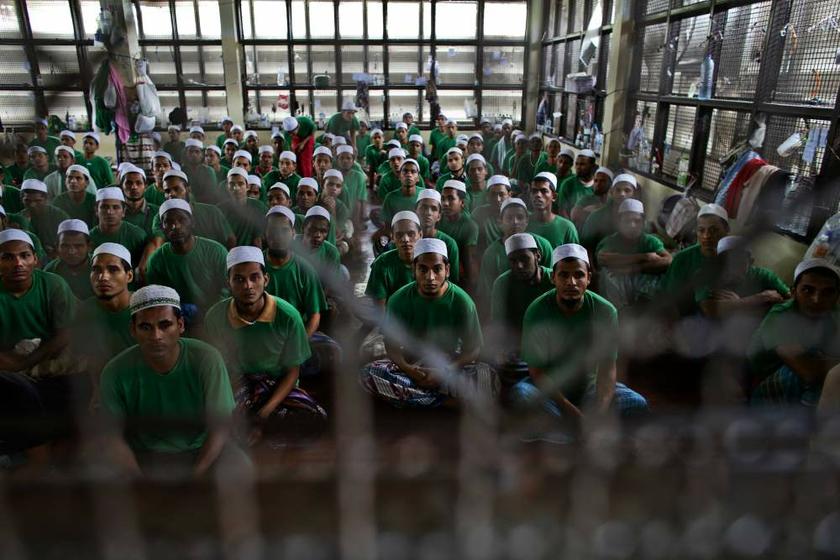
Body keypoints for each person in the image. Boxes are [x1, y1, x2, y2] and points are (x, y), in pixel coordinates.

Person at [98, 284, 246, 478]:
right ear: (133, 330)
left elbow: (220, 427)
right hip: (143, 454)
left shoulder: (206, 359)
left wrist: (195, 476)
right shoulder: (114, 371)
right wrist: (139, 481)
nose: (156, 336)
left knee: (239, 466)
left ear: (181, 325)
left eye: (165, 325)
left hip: (199, 449)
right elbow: (113, 437)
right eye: (145, 327)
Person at [509, 244, 648, 425]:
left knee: (637, 403)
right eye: (564, 275)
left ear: (589, 278)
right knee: (522, 395)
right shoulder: (537, 311)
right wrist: (570, 411)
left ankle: (563, 428)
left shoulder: (605, 311)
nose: (571, 282)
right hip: (551, 390)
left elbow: (607, 369)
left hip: (590, 386)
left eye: (579, 275)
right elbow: (537, 372)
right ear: (553, 278)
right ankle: (569, 425)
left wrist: (599, 411)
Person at [204, 247, 326, 445]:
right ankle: (259, 429)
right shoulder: (215, 317)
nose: (248, 286)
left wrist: (263, 413)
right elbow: (220, 371)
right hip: (238, 382)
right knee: (217, 417)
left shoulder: (288, 316)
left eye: (255, 277)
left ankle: (260, 426)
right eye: (239, 279)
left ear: (266, 279)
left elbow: (292, 372)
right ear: (228, 283)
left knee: (314, 417)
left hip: (278, 383)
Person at [360, 238, 499, 408]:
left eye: (437, 269)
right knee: (368, 374)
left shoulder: (463, 302)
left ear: (447, 270)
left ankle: (417, 398)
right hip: (413, 364)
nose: (430, 277)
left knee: (488, 376)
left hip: (449, 362)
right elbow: (392, 347)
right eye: (423, 269)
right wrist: (409, 369)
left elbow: (473, 350)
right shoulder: (398, 300)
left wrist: (446, 371)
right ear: (414, 270)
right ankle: (444, 401)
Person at [0, 229, 78, 461]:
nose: (18, 263)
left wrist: (25, 363)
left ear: (36, 259)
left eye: (24, 256)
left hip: (47, 356)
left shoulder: (53, 285)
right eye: (7, 257)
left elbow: (65, 334)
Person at [749, 259, 840, 406]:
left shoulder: (834, 312)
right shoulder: (781, 316)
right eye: (808, 290)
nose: (817, 300)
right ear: (793, 293)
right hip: (764, 388)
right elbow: (807, 371)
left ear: (836, 297)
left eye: (827, 292)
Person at [145, 199, 229, 329]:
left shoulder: (216, 251)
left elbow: (228, 288)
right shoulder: (157, 260)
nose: (176, 226)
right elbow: (158, 298)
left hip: (217, 318)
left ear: (192, 222)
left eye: (182, 220)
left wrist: (210, 312)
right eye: (169, 222)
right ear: (162, 227)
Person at [75, 243, 135, 410]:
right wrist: (98, 390)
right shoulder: (86, 310)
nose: (103, 277)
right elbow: (93, 358)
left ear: (129, 276)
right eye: (96, 270)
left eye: (113, 269)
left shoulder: (145, 308)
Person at [489, 233, 554, 385]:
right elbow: (499, 324)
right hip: (519, 347)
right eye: (513, 261)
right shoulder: (502, 284)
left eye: (524, 259)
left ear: (537, 256)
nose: (519, 265)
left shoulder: (554, 280)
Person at [263, 206, 328, 339]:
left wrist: (300, 343)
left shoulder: (305, 270)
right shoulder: (255, 266)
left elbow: (314, 316)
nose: (278, 236)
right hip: (262, 335)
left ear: (293, 233)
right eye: (273, 230)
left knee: (332, 349)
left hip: (295, 333)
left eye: (284, 230)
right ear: (265, 233)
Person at [596, 199, 671, 309]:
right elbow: (603, 258)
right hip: (618, 293)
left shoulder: (650, 241)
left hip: (642, 294)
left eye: (637, 221)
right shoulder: (611, 241)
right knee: (608, 273)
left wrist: (632, 269)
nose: (632, 225)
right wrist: (644, 256)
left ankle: (643, 309)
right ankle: (617, 311)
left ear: (643, 222)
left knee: (657, 274)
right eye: (627, 221)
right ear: (619, 222)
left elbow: (668, 260)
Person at [694, 236, 790, 320]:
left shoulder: (764, 275)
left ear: (751, 262)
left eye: (739, 262)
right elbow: (708, 309)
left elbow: (792, 301)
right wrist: (758, 299)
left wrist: (731, 306)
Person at [479, 197, 553, 301]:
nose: (515, 222)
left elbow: (550, 281)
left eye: (520, 217)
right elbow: (489, 292)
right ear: (500, 222)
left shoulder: (543, 245)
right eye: (509, 218)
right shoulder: (491, 253)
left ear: (527, 221)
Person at [661, 203, 730, 315]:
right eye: (701, 230)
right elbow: (670, 298)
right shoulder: (682, 259)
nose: (706, 236)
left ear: (726, 230)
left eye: (713, 230)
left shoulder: (733, 258)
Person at [149, 169, 236, 249]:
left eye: (176, 189)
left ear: (188, 189)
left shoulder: (212, 211)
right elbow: (157, 243)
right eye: (167, 191)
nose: (171, 194)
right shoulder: (160, 218)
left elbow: (230, 239)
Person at [366, 211, 422, 306]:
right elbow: (380, 309)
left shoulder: (429, 261)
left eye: (411, 234)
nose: (405, 239)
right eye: (399, 235)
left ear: (420, 235)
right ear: (392, 237)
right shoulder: (382, 263)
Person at [89, 187, 150, 267]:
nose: (110, 212)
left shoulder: (138, 236)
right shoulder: (89, 238)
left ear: (123, 212)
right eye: (104, 207)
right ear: (96, 211)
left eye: (115, 207)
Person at [580, 173, 638, 252]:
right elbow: (585, 247)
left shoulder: (638, 219)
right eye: (618, 190)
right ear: (611, 192)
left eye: (627, 190)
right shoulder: (596, 217)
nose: (622, 194)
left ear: (634, 193)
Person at [439, 180, 479, 292]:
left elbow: (469, 258)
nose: (445, 203)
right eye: (443, 199)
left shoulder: (470, 226)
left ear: (462, 202)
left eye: (451, 199)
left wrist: (470, 282)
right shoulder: (437, 220)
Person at [526, 171, 580, 248]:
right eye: (534, 191)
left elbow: (574, 255)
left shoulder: (567, 227)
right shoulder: (523, 224)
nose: (538, 195)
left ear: (554, 196)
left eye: (544, 191)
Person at [18, 178, 70, 256]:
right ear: (22, 200)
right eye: (27, 201)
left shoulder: (59, 216)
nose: (32, 205)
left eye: (37, 201)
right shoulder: (19, 218)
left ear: (46, 199)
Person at [43, 219, 93, 300]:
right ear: (57, 247)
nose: (72, 252)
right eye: (65, 246)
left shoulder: (100, 268)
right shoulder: (50, 271)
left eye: (78, 246)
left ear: (89, 247)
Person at [218, 168, 267, 247]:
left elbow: (258, 240)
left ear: (247, 186)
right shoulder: (220, 209)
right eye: (232, 184)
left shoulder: (258, 207)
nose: (236, 188)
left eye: (240, 184)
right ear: (227, 187)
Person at [471, 174, 512, 251]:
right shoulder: (479, 213)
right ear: (487, 196)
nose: (497, 199)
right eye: (493, 194)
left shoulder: (518, 214)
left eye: (501, 194)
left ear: (509, 195)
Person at [180, 139, 223, 205]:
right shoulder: (181, 171)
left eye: (197, 152)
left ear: (202, 155)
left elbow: (211, 194)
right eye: (190, 152)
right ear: (186, 154)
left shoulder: (208, 171)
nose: (194, 154)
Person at [120, 164, 158, 237]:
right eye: (129, 183)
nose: (134, 187)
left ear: (145, 186)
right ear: (122, 186)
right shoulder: (115, 213)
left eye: (139, 183)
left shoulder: (157, 212)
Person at [382, 158, 423, 226]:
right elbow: (387, 226)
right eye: (405, 171)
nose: (409, 174)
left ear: (418, 178)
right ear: (399, 176)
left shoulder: (424, 196)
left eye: (413, 171)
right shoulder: (390, 198)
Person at [557, 149, 597, 217]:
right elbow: (562, 211)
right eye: (577, 164)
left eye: (582, 164)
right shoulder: (568, 184)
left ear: (593, 166)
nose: (578, 167)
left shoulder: (598, 186)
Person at [334, 144, 368, 226]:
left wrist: (356, 223)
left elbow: (359, 201)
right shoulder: (333, 176)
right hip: (336, 216)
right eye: (342, 158)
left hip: (352, 217)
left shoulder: (359, 176)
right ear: (337, 160)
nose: (345, 161)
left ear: (353, 161)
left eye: (348, 158)